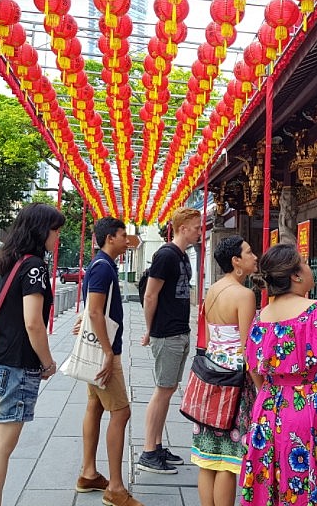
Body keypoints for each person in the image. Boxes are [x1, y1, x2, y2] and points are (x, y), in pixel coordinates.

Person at [241, 243, 317, 506]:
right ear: (295, 275)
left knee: (275, 482)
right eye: (304, 263)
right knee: (311, 484)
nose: (308, 268)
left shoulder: (260, 318)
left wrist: (274, 393)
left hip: (269, 409)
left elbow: (255, 369)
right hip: (313, 406)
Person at [0, 203, 64, 506]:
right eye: (55, 231)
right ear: (42, 231)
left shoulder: (14, 262)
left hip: (2, 361)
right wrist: (48, 362)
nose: (57, 238)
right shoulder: (35, 266)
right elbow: (33, 321)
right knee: (1, 447)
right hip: (15, 366)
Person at [75, 216, 143, 506]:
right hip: (104, 353)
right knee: (121, 412)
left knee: (95, 405)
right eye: (122, 235)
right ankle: (115, 488)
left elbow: (90, 309)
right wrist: (107, 352)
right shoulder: (103, 268)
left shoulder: (100, 265)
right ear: (109, 238)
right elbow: (95, 312)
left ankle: (88, 473)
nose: (127, 241)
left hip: (98, 350)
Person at [193, 235, 258, 506]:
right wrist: (261, 385)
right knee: (229, 460)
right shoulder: (244, 295)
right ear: (236, 262)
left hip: (210, 373)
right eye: (249, 252)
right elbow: (247, 347)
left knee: (208, 458)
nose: (255, 256)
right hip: (234, 379)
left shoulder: (212, 289)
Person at [138, 206, 202, 474]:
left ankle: (157, 444)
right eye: (197, 227)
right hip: (166, 332)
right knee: (163, 390)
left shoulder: (183, 256)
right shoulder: (165, 255)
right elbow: (150, 295)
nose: (200, 231)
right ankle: (148, 451)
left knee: (168, 389)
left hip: (179, 330)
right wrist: (148, 329)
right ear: (183, 227)